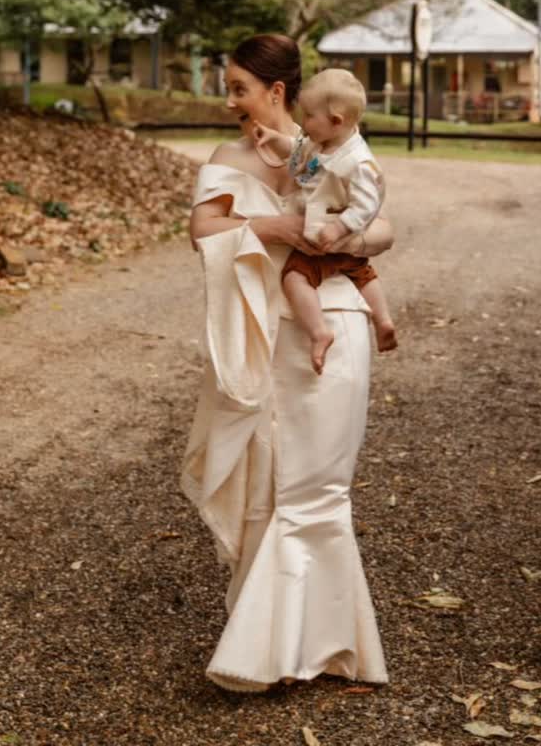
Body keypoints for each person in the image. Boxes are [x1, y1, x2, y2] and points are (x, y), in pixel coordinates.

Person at [181, 34, 393, 693]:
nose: (231, 101)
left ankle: (329, 644)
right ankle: (265, 649)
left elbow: (386, 228)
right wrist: (273, 228)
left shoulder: (329, 152)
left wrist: (341, 234)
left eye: (240, 88)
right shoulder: (230, 156)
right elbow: (202, 231)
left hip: (339, 325)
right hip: (269, 329)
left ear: (277, 92)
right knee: (276, 484)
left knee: (323, 490)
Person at [251, 67, 397, 373]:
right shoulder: (323, 142)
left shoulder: (358, 162)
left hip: (326, 238)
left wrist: (340, 227)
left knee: (295, 278)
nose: (303, 123)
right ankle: (382, 320)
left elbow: (367, 203)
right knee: (363, 273)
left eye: (309, 116)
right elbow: (298, 154)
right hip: (336, 242)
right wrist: (275, 138)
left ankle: (320, 331)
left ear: (335, 121)